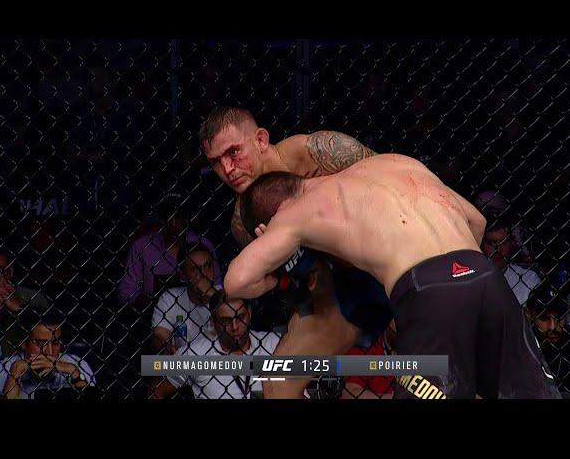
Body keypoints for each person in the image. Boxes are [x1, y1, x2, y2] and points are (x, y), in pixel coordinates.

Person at [225, 153, 561, 399]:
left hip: (429, 292)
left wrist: (272, 274)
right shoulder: (392, 162)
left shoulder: (293, 212)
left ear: (274, 214)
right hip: (485, 276)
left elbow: (236, 281)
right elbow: (477, 221)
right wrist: (461, 277)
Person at [200, 105, 393, 398]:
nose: (227, 169)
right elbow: (298, 291)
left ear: (261, 140)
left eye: (233, 152)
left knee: (436, 373)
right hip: (342, 288)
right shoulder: (243, 222)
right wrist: (293, 264)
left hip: (392, 260)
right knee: (278, 382)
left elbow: (395, 185)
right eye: (216, 162)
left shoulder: (317, 152)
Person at [150, 291, 280, 399]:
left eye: (240, 317)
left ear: (249, 314)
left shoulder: (274, 344)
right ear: (213, 321)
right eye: (226, 320)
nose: (235, 327)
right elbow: (156, 391)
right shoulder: (195, 355)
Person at [0, 309, 96, 399]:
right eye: (41, 344)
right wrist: (15, 374)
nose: (50, 352)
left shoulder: (76, 364)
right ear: (23, 343)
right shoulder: (0, 370)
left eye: (55, 343)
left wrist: (74, 372)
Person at [0, 243, 49, 365]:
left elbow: (45, 347)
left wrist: (19, 309)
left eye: (1, 271)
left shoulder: (34, 298)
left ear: (10, 272)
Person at [151, 245, 219, 354]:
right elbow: (159, 336)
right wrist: (166, 348)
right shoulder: (170, 298)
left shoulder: (226, 294)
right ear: (182, 275)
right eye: (195, 269)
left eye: (208, 266)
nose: (204, 274)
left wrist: (213, 295)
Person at [481, 221, 542, 306]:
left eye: (503, 242)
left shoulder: (528, 279)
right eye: (491, 243)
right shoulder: (469, 278)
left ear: (511, 243)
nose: (498, 250)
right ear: (481, 244)